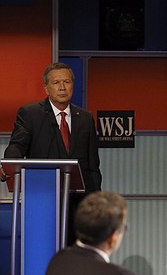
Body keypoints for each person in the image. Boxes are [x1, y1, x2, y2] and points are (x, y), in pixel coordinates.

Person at [1, 62, 103, 245]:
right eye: (56, 83)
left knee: (76, 252)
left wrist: (95, 200)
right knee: (44, 247)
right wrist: (8, 163)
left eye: (67, 82)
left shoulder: (85, 118)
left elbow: (92, 164)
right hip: (43, 197)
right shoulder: (31, 114)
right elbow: (17, 145)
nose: (62, 87)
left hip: (78, 203)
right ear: (46, 88)